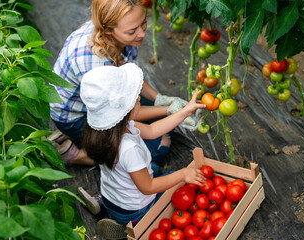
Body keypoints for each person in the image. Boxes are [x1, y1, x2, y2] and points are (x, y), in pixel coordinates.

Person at [47, 0, 199, 168]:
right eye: (132, 31)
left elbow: (131, 71)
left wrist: (161, 99)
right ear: (108, 30)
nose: (141, 34)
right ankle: (77, 155)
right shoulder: (95, 63)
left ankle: (78, 142)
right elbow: (119, 114)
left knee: (168, 122)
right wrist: (171, 108)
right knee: (158, 148)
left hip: (109, 100)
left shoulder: (123, 35)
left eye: (143, 23)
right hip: (79, 116)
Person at [80, 63, 206, 239]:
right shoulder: (128, 148)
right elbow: (148, 187)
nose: (139, 97)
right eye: (134, 98)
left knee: (153, 169)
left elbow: (153, 130)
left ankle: (105, 206)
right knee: (180, 187)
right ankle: (134, 227)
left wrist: (184, 112)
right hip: (135, 209)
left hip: (113, 197)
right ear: (123, 110)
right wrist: (183, 174)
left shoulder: (108, 130)